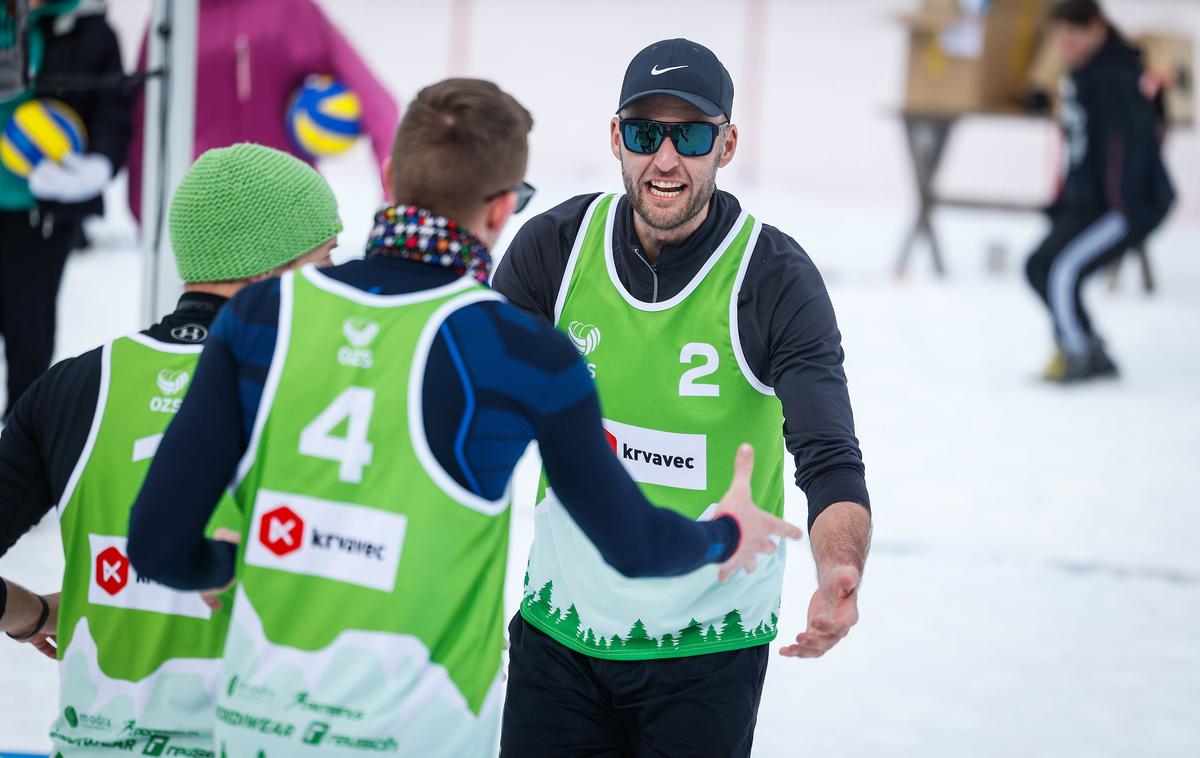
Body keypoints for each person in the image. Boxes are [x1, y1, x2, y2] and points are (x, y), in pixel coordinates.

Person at [127, 77, 800, 757]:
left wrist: (227, 564)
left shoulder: (260, 316)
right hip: (421, 731)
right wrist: (723, 535)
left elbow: (155, 546)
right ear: (503, 208)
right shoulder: (523, 353)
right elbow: (634, 549)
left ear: (389, 177)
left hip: (257, 725)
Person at [491, 38, 873, 756]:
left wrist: (839, 569)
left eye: (691, 135)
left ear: (726, 145)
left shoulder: (775, 278)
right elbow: (468, 409)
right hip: (559, 633)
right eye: (645, 133)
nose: (665, 160)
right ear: (616, 139)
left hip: (709, 646)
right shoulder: (556, 246)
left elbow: (828, 457)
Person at [0, 142, 341, 756]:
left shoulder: (77, 385)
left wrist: (23, 612)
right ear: (270, 270)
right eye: (326, 259)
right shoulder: (326, 398)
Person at [126, 0, 400, 222]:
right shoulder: (172, 20)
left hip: (288, 203)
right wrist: (145, 209)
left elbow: (374, 101)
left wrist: (395, 194)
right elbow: (142, 122)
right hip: (205, 209)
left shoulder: (289, 9)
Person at [1025, 0, 1175, 383]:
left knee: (1062, 270)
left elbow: (1135, 141)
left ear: (1097, 28)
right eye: (1060, 41)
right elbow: (1084, 138)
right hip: (1085, 199)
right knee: (1038, 266)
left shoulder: (1118, 74)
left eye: (1073, 38)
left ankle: (1078, 352)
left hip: (1122, 202)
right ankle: (1088, 345)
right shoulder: (1084, 71)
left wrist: (1122, 204)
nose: (1066, 48)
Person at [0, 0, 131, 413]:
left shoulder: (90, 31)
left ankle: (18, 445)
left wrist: (98, 165)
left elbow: (114, 110)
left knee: (30, 334)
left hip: (40, 214)